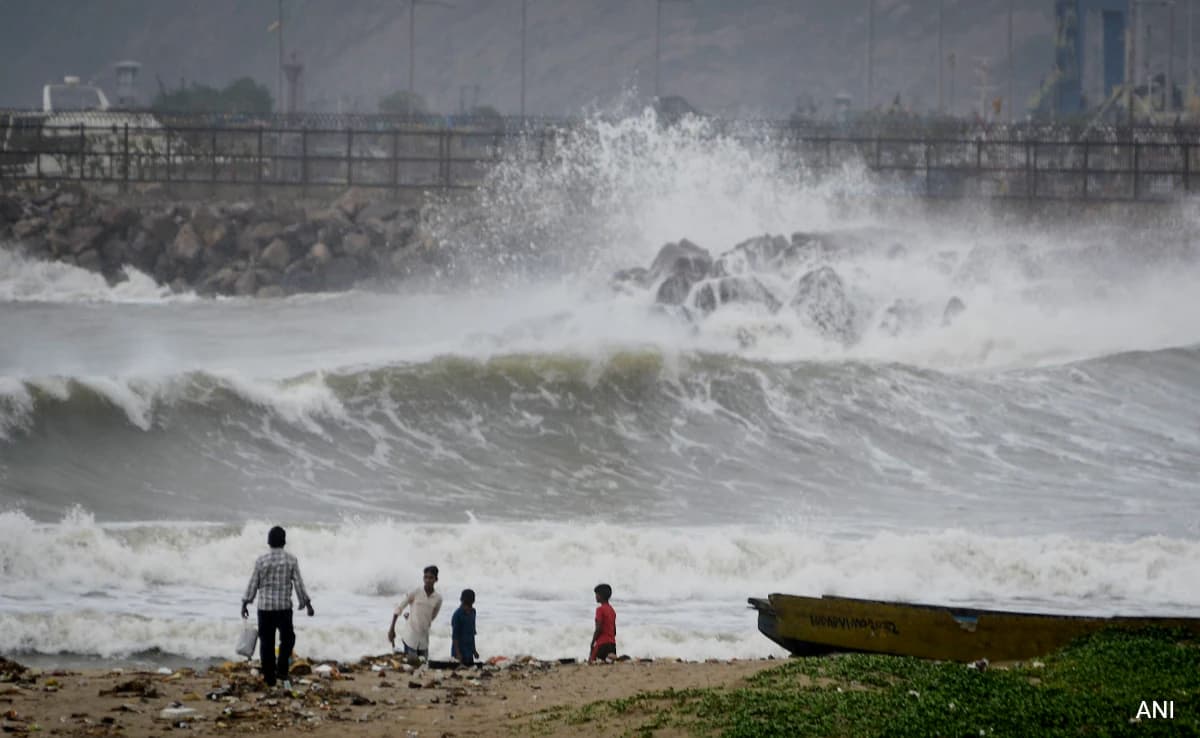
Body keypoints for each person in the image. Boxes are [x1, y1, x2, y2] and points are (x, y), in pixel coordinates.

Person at [241, 526, 314, 689]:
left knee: (266, 643)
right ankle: (282, 668)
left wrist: (245, 602)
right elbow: (299, 584)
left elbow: (253, 583)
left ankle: (269, 677)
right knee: (288, 639)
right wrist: (306, 603)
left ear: (269, 541)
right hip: (284, 608)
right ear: (284, 541)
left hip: (265, 608)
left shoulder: (261, 560)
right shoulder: (291, 560)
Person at [388, 565, 443, 661]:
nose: (428, 580)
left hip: (424, 640)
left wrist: (418, 618)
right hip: (410, 637)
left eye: (431, 578)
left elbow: (432, 617)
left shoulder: (438, 598)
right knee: (411, 666)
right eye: (426, 577)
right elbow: (399, 608)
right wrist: (392, 628)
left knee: (422, 668)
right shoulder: (416, 592)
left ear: (436, 579)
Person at [450, 588, 479, 667]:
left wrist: (474, 650)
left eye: (469, 604)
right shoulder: (457, 615)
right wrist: (458, 653)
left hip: (469, 651)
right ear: (461, 600)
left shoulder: (473, 612)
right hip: (459, 652)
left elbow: (472, 633)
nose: (467, 607)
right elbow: (455, 636)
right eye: (465, 604)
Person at [589, 583, 616, 663]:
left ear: (600, 596)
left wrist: (593, 642)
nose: (595, 596)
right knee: (607, 662)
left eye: (596, 594)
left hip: (602, 644)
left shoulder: (600, 609)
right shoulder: (612, 610)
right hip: (612, 645)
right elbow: (614, 631)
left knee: (591, 661)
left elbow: (598, 628)